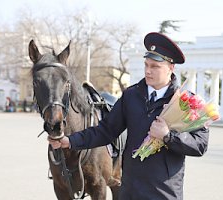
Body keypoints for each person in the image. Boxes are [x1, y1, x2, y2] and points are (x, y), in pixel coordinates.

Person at [48, 32, 209, 200]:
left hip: (164, 192)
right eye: (146, 65)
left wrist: (168, 136)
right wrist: (70, 141)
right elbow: (105, 131)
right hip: (130, 191)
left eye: (155, 66)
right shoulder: (131, 95)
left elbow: (200, 145)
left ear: (171, 67)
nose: (148, 71)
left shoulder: (186, 102)